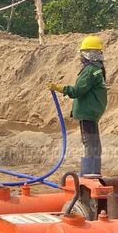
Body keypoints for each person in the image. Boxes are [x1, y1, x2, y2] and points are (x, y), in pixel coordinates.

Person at [48, 34, 107, 176]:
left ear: (87, 54)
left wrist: (60, 88)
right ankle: (93, 172)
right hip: (92, 111)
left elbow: (77, 91)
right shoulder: (98, 69)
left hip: (87, 111)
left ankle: (89, 173)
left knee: (90, 143)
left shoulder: (90, 71)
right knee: (94, 144)